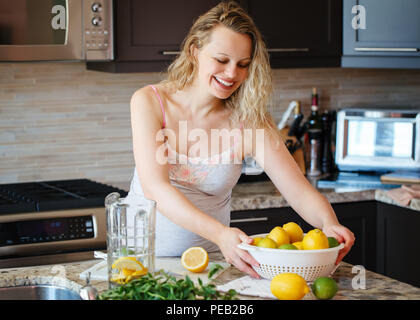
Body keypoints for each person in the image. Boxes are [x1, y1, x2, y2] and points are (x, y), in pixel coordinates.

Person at [125, 1, 355, 279]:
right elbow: (156, 188)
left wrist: (329, 224)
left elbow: (298, 190)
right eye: (221, 60)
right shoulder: (150, 101)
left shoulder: (250, 119)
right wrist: (221, 234)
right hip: (138, 262)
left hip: (208, 267)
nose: (232, 74)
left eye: (243, 64)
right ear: (194, 51)